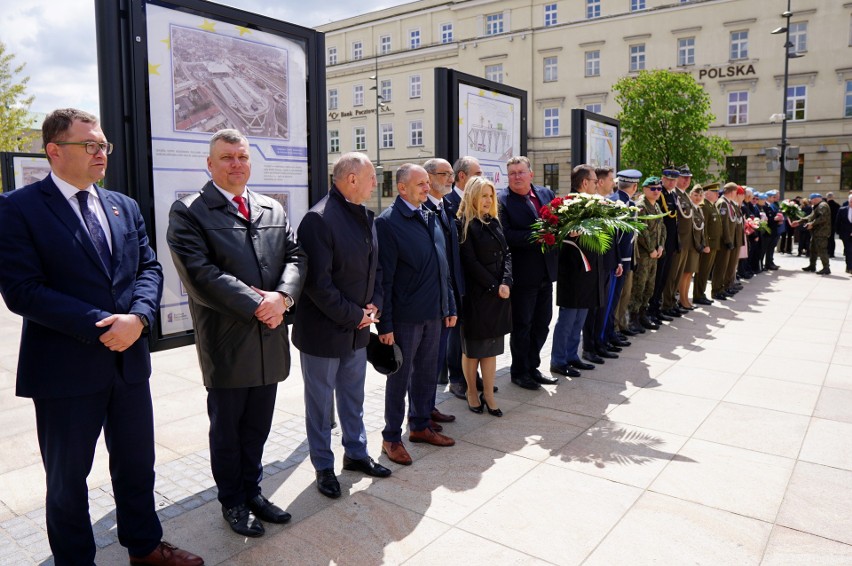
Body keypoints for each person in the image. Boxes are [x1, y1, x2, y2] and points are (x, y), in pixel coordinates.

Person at [0, 108, 203, 566]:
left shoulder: (123, 205)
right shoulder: (18, 208)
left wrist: (138, 319)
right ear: (54, 151)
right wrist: (104, 323)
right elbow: (22, 290)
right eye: (89, 145)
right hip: (64, 369)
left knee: (136, 465)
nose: (101, 153)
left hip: (128, 361)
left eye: (104, 145)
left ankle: (145, 546)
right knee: (68, 479)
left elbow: (147, 269)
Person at [167, 129, 306, 538]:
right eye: (227, 157)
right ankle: (232, 500)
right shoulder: (190, 211)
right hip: (228, 342)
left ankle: (253, 491)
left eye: (242, 157)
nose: (236, 164)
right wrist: (258, 305)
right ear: (210, 165)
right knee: (227, 431)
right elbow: (200, 274)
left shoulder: (270, 208)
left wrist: (283, 297)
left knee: (258, 427)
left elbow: (295, 256)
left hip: (270, 338)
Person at [293, 152, 391, 500]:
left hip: (358, 329)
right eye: (371, 177)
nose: (375, 184)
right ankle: (323, 466)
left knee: (353, 397)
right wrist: (356, 315)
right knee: (320, 406)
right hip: (324, 333)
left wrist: (374, 305)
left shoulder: (365, 216)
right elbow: (318, 285)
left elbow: (375, 269)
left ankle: (356, 454)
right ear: (351, 179)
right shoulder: (318, 219)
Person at [376, 163, 457, 466]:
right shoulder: (388, 223)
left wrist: (448, 306)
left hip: (434, 313)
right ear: (402, 188)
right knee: (399, 379)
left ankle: (420, 426)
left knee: (426, 374)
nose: (427, 188)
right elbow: (384, 278)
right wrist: (385, 324)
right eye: (421, 184)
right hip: (405, 318)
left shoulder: (429, 215)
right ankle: (391, 437)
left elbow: (442, 266)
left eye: (427, 183)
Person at [498, 156, 559, 389]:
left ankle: (533, 366)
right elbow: (506, 235)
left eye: (521, 172)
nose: (516, 177)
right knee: (522, 325)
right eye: (512, 173)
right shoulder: (502, 200)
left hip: (546, 271)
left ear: (530, 174)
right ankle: (519, 371)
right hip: (523, 275)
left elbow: (558, 223)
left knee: (543, 322)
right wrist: (537, 236)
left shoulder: (546, 195)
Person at [457, 176, 512, 416]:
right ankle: (471, 392)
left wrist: (506, 281)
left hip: (499, 295)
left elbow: (507, 253)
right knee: (473, 350)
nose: (488, 200)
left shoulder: (494, 221)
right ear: (472, 197)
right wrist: (494, 286)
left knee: (492, 349)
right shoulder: (464, 225)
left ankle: (488, 394)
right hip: (477, 297)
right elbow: (470, 262)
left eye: (491, 195)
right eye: (484, 196)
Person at [551, 165, 607, 373]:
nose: (596, 184)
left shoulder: (593, 204)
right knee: (568, 317)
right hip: (572, 270)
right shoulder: (568, 204)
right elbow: (557, 234)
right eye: (594, 181)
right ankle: (558, 360)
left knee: (580, 316)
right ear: (584, 183)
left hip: (589, 270)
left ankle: (572, 355)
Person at [423, 158, 468, 413]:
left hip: (449, 293)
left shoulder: (445, 206)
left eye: (452, 174)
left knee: (437, 356)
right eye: (445, 174)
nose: (451, 178)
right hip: (432, 298)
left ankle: (428, 408)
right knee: (427, 362)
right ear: (428, 178)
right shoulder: (423, 210)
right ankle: (421, 412)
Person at [627, 176, 666, 332]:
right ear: (644, 189)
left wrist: (661, 246)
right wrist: (651, 249)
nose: (657, 191)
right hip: (644, 254)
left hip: (655, 254)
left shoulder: (656, 207)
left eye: (659, 189)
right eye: (653, 189)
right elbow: (642, 231)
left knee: (649, 287)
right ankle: (633, 318)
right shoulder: (641, 207)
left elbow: (662, 228)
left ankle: (643, 315)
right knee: (639, 286)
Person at [610, 170, 642, 338]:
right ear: (635, 186)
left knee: (624, 294)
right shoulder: (618, 203)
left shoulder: (628, 202)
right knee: (616, 296)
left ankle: (620, 325)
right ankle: (613, 328)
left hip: (626, 257)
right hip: (620, 259)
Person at [660, 165, 694, 317]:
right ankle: (667, 303)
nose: (686, 180)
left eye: (688, 178)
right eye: (683, 177)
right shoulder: (672, 195)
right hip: (673, 241)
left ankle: (671, 302)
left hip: (681, 241)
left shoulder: (681, 195)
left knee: (677, 275)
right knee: (670, 275)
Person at [648, 167, 680, 323]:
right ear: (663, 178)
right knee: (656, 278)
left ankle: (657, 308)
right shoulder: (659, 195)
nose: (672, 182)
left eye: (674, 180)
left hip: (669, 242)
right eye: (668, 179)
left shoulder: (672, 194)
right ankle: (651, 310)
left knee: (663, 278)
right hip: (660, 243)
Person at [679, 185, 708, 310]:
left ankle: (686, 299)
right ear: (690, 195)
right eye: (695, 195)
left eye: (700, 195)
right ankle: (683, 300)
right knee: (685, 273)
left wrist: (703, 244)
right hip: (691, 244)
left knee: (690, 273)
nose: (698, 198)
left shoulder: (699, 209)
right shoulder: (690, 208)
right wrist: (698, 245)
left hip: (696, 246)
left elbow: (701, 230)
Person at [711, 183, 741, 301]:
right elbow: (723, 223)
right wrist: (728, 240)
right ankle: (717, 290)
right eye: (735, 192)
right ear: (732, 191)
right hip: (724, 240)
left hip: (729, 239)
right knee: (720, 266)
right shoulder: (723, 203)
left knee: (725, 266)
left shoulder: (728, 203)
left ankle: (722, 288)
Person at [693, 182, 720, 306]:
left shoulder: (712, 205)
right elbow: (704, 228)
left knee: (706, 270)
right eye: (715, 193)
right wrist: (706, 244)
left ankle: (701, 293)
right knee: (702, 271)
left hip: (714, 244)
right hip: (708, 245)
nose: (717, 195)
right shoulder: (704, 206)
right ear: (707, 194)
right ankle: (698, 295)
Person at [798, 193, 832, 275]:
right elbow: (811, 216)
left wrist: (812, 224)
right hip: (816, 232)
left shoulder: (822, 206)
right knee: (813, 249)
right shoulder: (817, 206)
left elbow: (822, 218)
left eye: (811, 199)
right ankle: (812, 266)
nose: (810, 201)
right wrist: (800, 221)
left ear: (816, 199)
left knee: (822, 250)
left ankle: (826, 268)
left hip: (821, 232)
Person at [836, 193, 852, 274]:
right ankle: (849, 267)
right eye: (851, 201)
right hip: (845, 234)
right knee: (848, 251)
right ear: (848, 201)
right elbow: (838, 222)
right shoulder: (842, 209)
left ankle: (849, 267)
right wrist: (838, 232)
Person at [826, 191, 840, 258]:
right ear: (833, 197)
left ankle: (827, 252)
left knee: (826, 239)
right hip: (833, 224)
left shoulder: (825, 205)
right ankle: (832, 253)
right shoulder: (837, 205)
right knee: (832, 239)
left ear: (827, 197)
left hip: (825, 224)